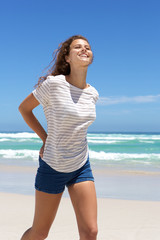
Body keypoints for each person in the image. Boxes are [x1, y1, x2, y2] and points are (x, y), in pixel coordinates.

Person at [19, 35, 99, 240]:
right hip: (53, 165)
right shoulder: (54, 85)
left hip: (81, 165)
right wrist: (45, 138)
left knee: (90, 231)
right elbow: (25, 109)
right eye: (77, 47)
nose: (84, 50)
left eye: (87, 47)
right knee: (40, 232)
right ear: (67, 58)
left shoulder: (93, 94)